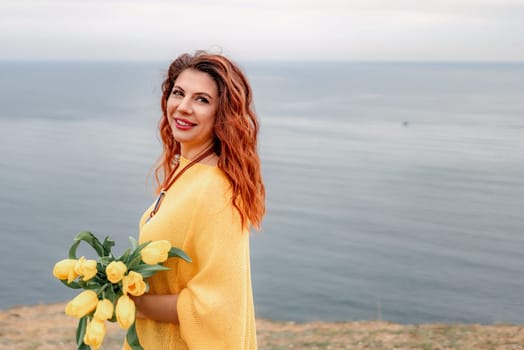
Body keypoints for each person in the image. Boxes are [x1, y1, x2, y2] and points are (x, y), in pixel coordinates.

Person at [125, 51, 265, 349]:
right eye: (178, 93)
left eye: (201, 100)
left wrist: (133, 300)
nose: (183, 107)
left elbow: (216, 307)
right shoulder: (186, 169)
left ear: (223, 114)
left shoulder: (217, 190)